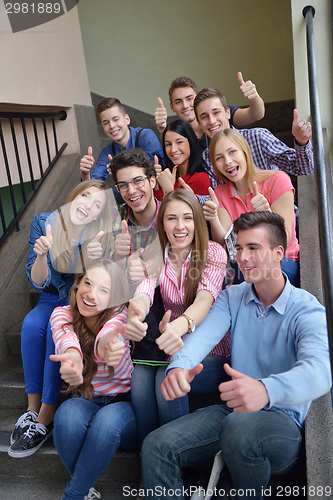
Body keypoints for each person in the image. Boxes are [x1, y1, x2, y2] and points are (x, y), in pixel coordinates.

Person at [141, 211, 331, 500]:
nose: (242, 258)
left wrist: (266, 390)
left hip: (281, 422)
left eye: (253, 248)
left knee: (238, 427)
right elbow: (200, 339)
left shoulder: (307, 309)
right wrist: (179, 367)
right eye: (239, 249)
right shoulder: (232, 297)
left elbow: (320, 372)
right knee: (156, 445)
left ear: (279, 253)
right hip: (233, 414)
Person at [8, 180, 114, 458]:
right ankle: (31, 412)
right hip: (51, 294)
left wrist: (91, 258)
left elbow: (95, 284)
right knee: (32, 325)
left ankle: (47, 413)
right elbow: (37, 280)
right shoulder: (44, 222)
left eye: (96, 206)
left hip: (77, 301)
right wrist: (42, 254)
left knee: (58, 331)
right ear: (74, 195)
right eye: (85, 196)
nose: (87, 206)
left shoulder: (98, 233)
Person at [126, 190, 229, 448]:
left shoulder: (213, 252)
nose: (180, 226)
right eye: (171, 218)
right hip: (172, 345)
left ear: (197, 221)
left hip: (211, 354)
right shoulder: (157, 253)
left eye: (187, 218)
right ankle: (148, 455)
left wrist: (180, 325)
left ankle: (175, 457)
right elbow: (145, 290)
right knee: (139, 379)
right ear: (162, 224)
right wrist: (136, 312)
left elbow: (205, 299)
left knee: (166, 378)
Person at [49, 258, 136, 500]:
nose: (91, 294)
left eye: (104, 290)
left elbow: (108, 336)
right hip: (87, 399)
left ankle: (74, 495)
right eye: (88, 283)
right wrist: (72, 358)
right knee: (65, 416)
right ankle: (86, 490)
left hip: (124, 403)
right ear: (77, 284)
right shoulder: (61, 314)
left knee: (106, 424)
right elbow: (67, 340)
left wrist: (108, 346)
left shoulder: (120, 314)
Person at [203, 129, 300, 286]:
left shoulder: (277, 180)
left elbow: (286, 238)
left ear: (245, 152)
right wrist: (213, 218)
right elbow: (225, 244)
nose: (227, 161)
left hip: (282, 262)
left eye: (232, 152)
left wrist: (267, 215)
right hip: (244, 265)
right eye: (219, 158)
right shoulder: (220, 192)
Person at [191, 87, 313, 204]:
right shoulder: (207, 156)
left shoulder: (257, 137)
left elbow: (303, 169)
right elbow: (219, 199)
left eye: (216, 112)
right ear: (199, 123)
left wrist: (301, 142)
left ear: (228, 113)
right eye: (204, 117)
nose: (212, 121)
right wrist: (191, 199)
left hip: (277, 215)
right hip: (240, 222)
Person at [154, 74, 265, 152]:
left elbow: (255, 115)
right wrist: (161, 129)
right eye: (178, 102)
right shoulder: (178, 131)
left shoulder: (218, 114)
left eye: (189, 99)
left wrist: (255, 98)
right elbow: (170, 154)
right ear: (172, 107)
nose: (185, 105)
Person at [80, 97, 164, 183]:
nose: (112, 126)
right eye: (106, 123)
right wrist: (85, 174)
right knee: (103, 192)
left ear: (127, 119)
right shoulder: (108, 151)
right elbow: (95, 181)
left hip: (156, 189)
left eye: (115, 119)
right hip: (128, 193)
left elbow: (151, 171)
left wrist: (118, 168)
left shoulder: (146, 136)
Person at [154, 119, 211, 202]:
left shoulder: (200, 179)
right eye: (168, 144)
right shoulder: (172, 176)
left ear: (191, 143)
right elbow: (158, 211)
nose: (173, 150)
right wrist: (155, 184)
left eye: (179, 142)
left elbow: (179, 213)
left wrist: (169, 191)